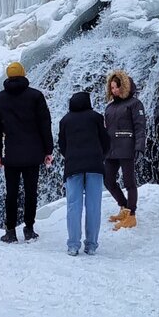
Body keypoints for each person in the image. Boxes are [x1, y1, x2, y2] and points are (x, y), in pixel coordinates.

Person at [0, 61, 53, 244]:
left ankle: (10, 231)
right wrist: (48, 150)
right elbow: (44, 124)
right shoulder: (36, 96)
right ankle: (29, 228)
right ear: (24, 75)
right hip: (34, 154)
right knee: (31, 192)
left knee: (11, 193)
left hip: (11, 155)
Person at [58, 91, 111, 257]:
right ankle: (91, 245)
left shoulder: (65, 120)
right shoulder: (96, 117)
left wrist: (71, 156)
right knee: (93, 205)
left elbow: (62, 145)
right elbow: (105, 141)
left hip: (73, 166)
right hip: (94, 165)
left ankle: (73, 245)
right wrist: (100, 156)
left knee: (73, 205)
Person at [103, 70, 146, 230]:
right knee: (108, 180)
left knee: (129, 182)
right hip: (111, 149)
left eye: (116, 87)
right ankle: (123, 207)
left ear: (124, 86)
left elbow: (140, 126)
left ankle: (131, 215)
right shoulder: (110, 107)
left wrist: (139, 146)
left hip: (127, 147)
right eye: (112, 88)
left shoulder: (134, 104)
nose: (114, 90)